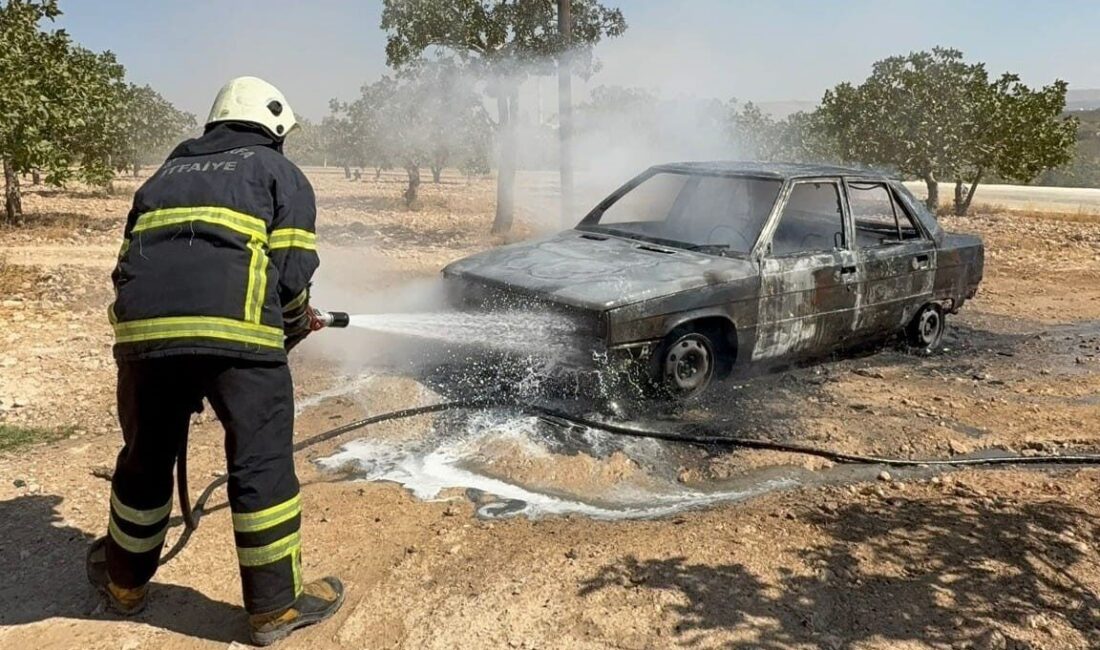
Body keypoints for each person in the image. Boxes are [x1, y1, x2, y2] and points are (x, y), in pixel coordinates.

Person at [85, 76, 344, 646]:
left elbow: (131, 261)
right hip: (239, 341)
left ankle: (124, 583)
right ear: (274, 127)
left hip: (145, 339)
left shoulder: (161, 175)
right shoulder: (281, 174)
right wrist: (299, 321)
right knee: (260, 465)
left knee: (146, 457)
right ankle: (275, 610)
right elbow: (292, 270)